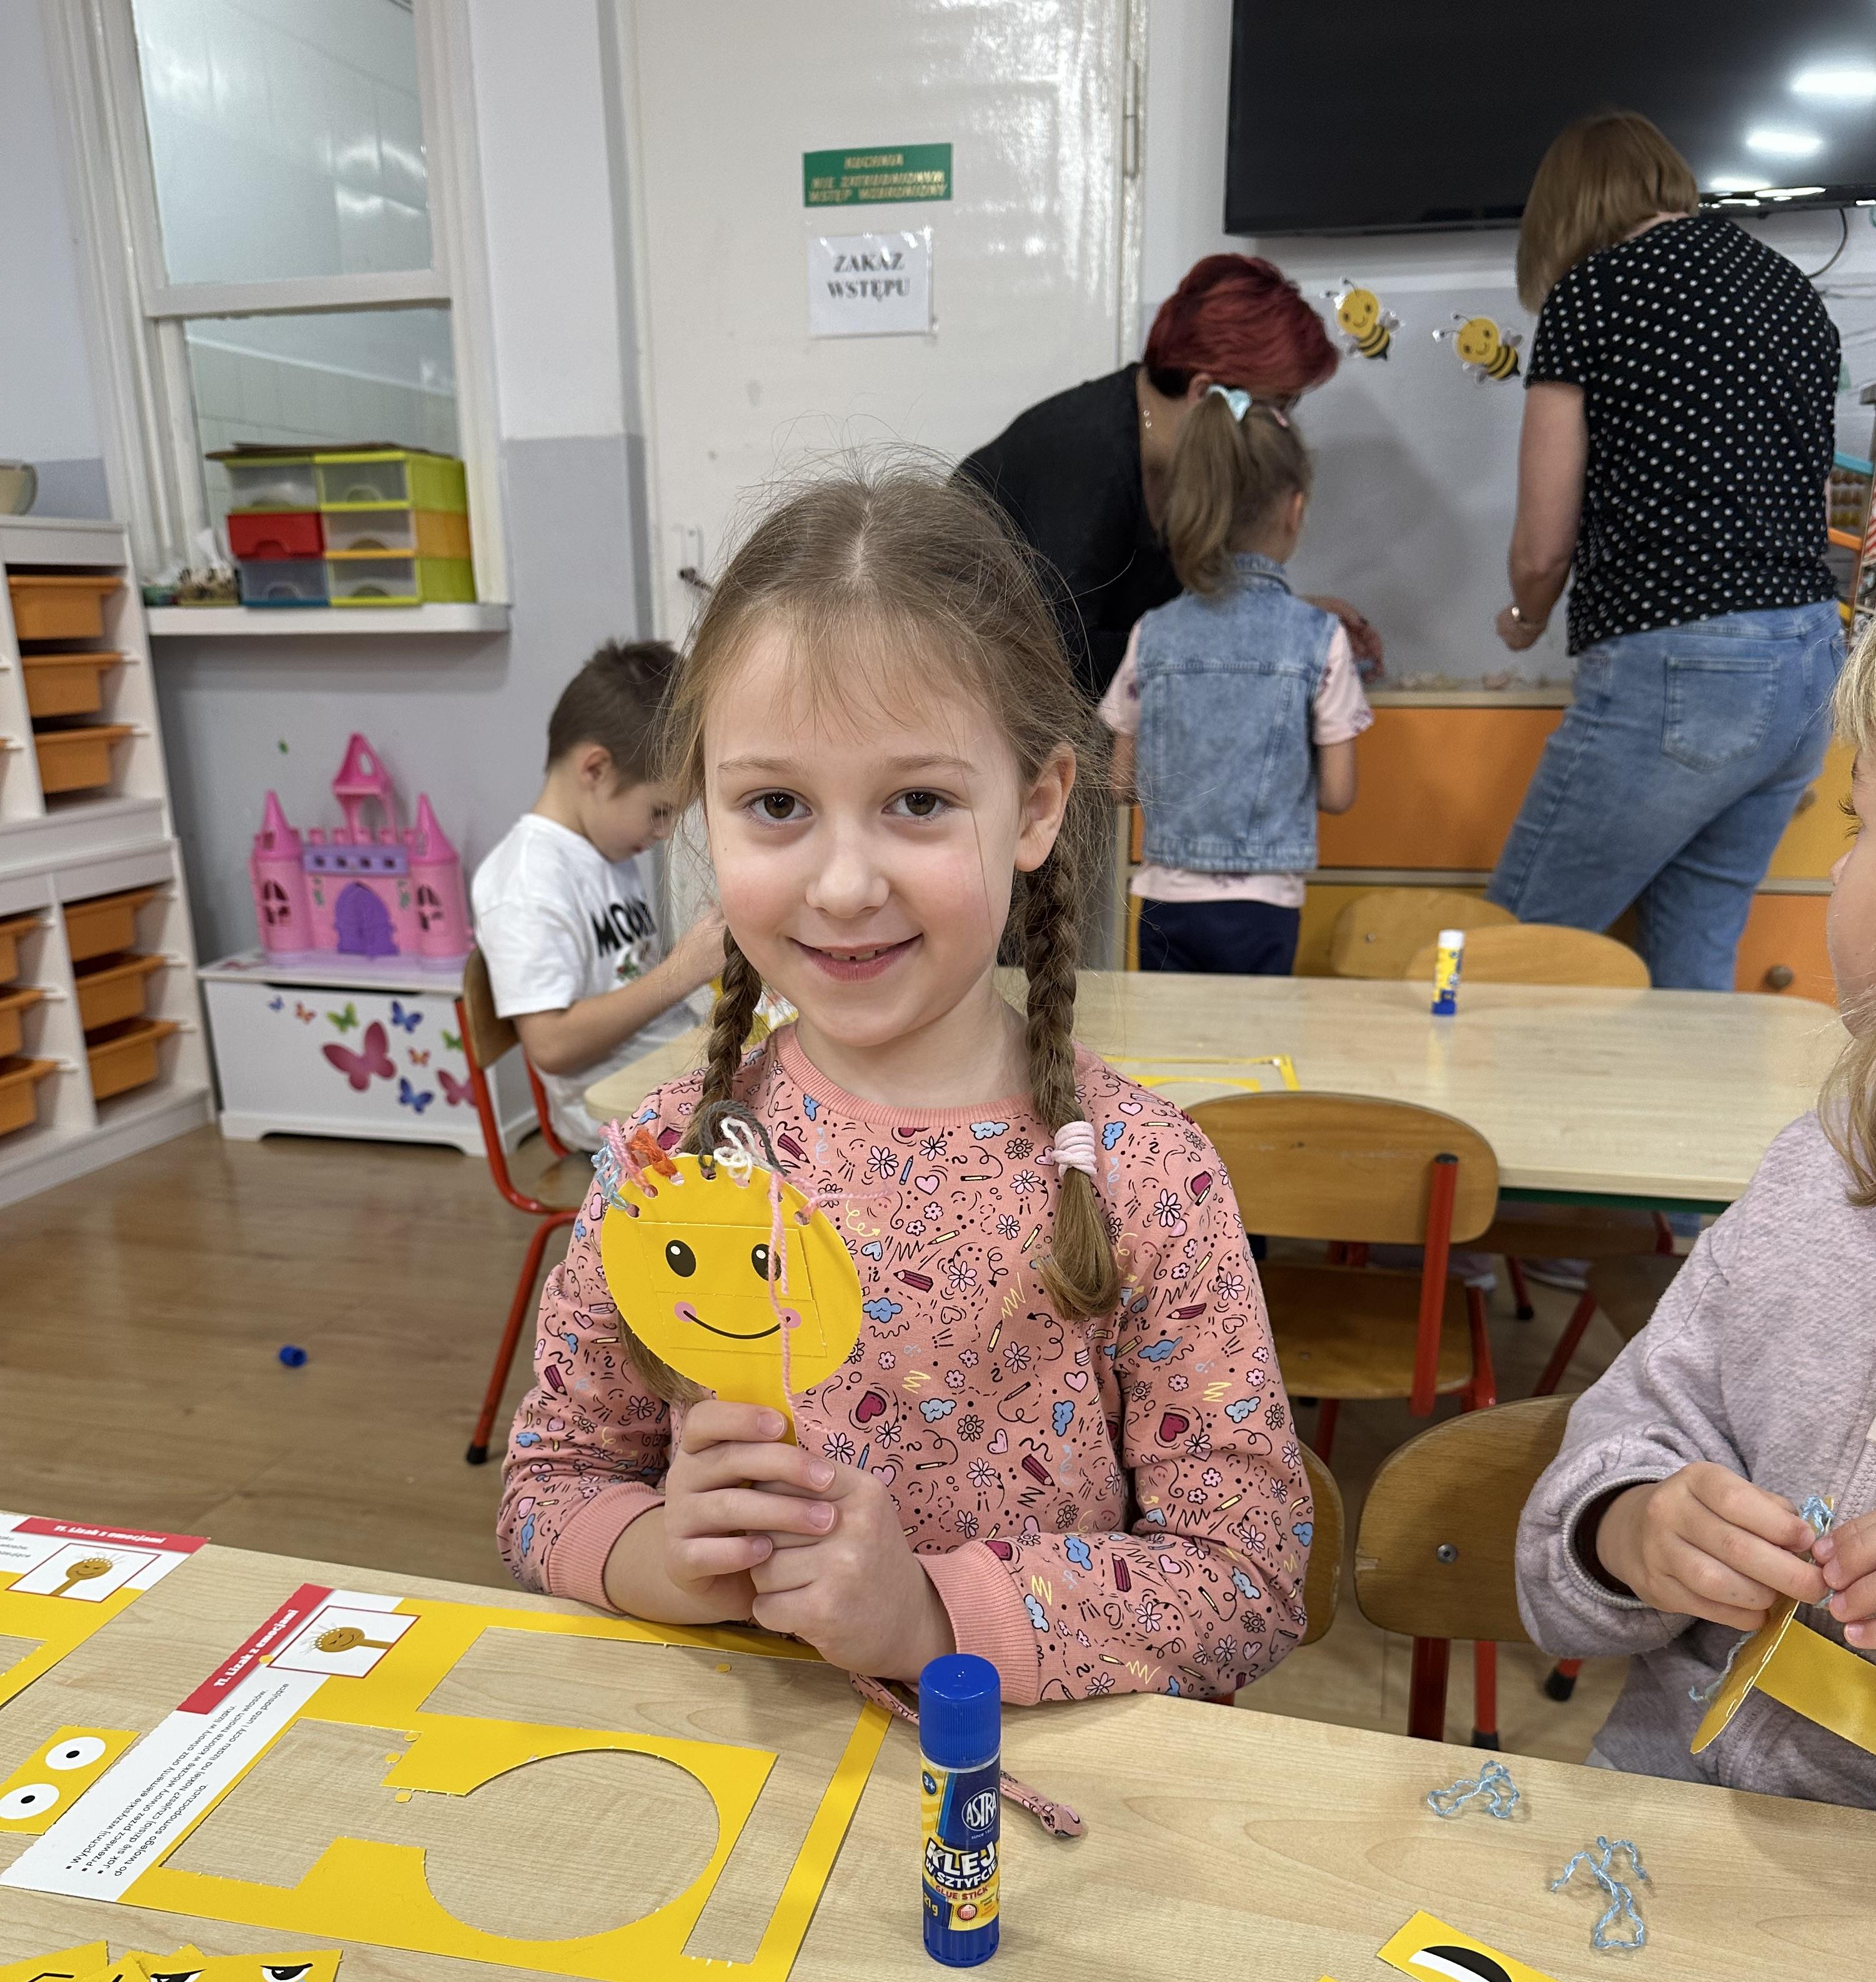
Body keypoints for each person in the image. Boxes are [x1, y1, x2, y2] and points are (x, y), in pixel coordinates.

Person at [497, 464, 1310, 1704]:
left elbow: (1248, 1579)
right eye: (775, 803)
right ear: (704, 809)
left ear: (1035, 807)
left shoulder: (1147, 1175)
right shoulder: (666, 1164)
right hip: (744, 1774)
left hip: (1019, 1790)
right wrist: (665, 1556)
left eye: (917, 801)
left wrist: (929, 1614)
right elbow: (546, 1488)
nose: (842, 885)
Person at [1514, 614, 1876, 1805]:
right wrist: (1626, 1529)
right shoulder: (1814, 1177)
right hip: (1654, 1827)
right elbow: (1612, 1459)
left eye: (1858, 826)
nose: (1834, 868)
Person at [1485, 111, 1844, 990]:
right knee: (1693, 970)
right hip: (1808, 661)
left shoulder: (1593, 293)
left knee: (1504, 958)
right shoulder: (1791, 290)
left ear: (1567, 211)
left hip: (1684, 663)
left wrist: (1525, 616)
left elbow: (1543, 543)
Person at [960, 252, 1377, 700]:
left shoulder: (1180, 461)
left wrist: (1282, 616)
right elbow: (1064, 661)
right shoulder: (1088, 453)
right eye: (1277, 407)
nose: (1282, 428)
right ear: (1203, 392)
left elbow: (1165, 624)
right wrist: (1252, 639)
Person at [1101, 391, 1367, 977]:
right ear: (1294, 510)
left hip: (1166, 901)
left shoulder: (1152, 634)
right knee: (1255, 1034)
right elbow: (1338, 793)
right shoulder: (1320, 637)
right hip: (1265, 905)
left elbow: (1120, 784)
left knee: (1168, 1035)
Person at [471, 639, 723, 1152]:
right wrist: (681, 971)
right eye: (659, 811)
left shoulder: (602, 851)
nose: (665, 832)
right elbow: (552, 1045)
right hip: (615, 1124)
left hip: (665, 1083)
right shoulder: (525, 881)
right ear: (595, 770)